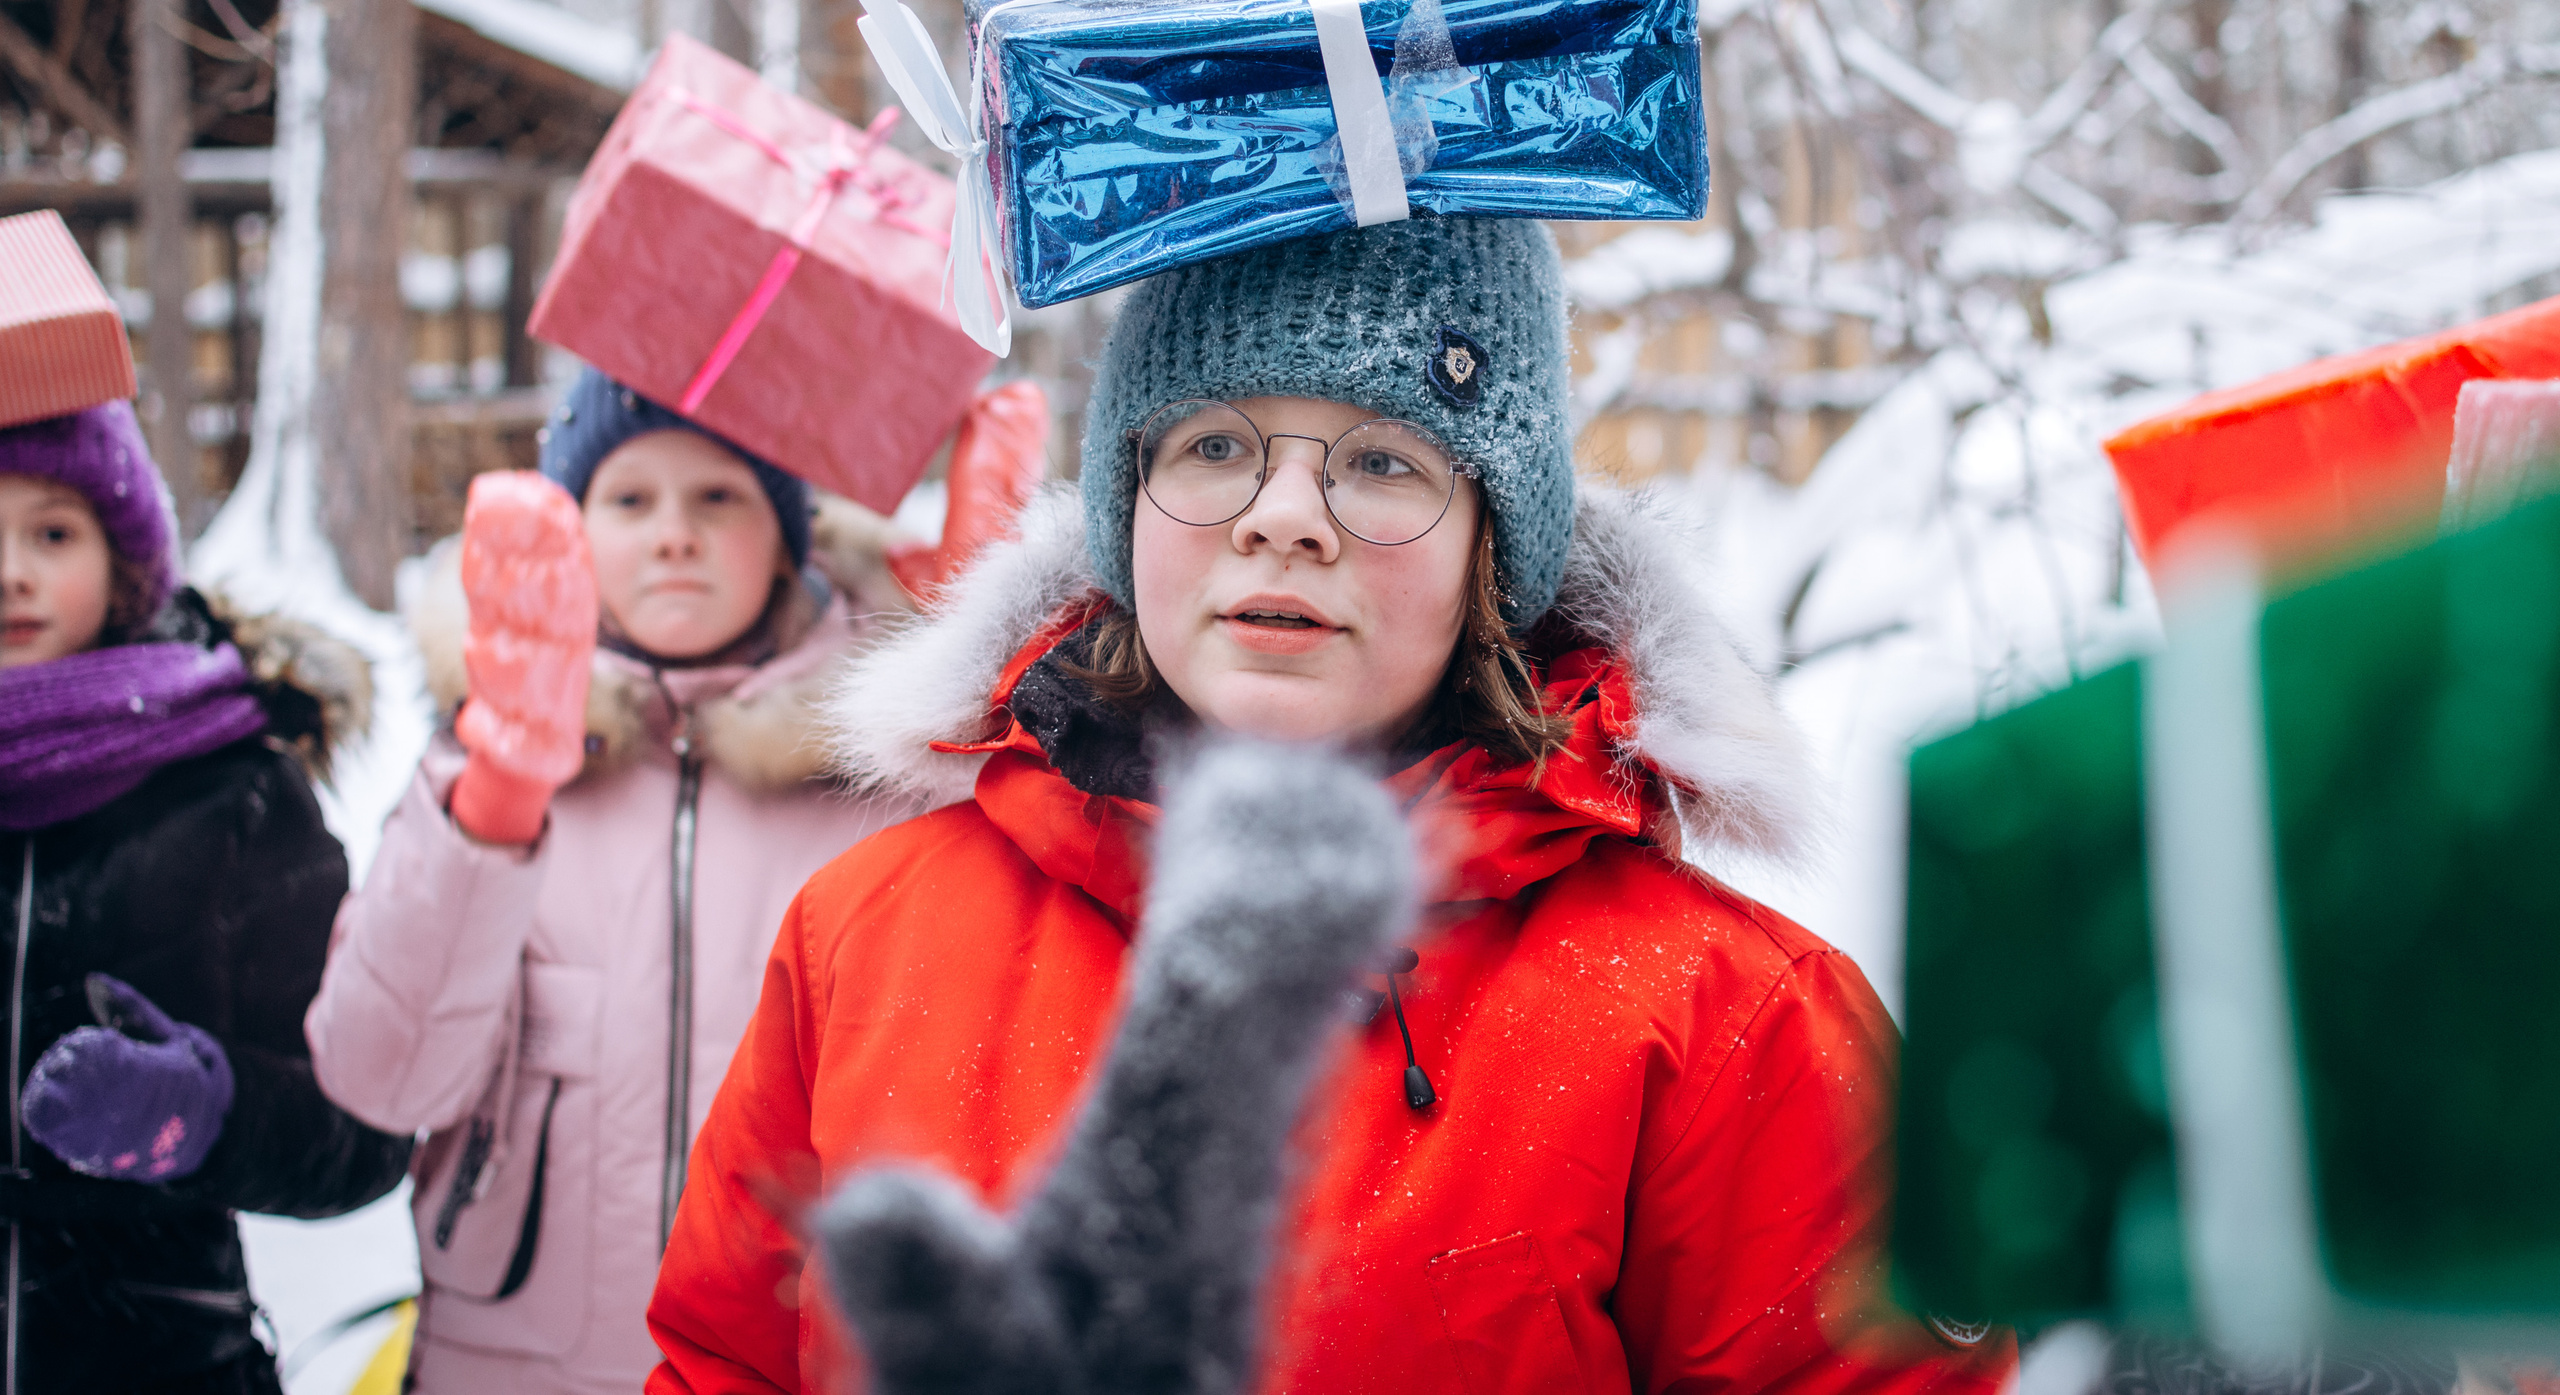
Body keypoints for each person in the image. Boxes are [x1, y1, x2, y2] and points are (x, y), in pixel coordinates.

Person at [647, 219, 2021, 1394]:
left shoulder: (1728, 1015)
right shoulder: (867, 931)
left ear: (1498, 542)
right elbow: (722, 1359)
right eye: (1216, 443)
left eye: (1383, 461)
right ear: (1129, 505)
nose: (1285, 517)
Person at [305, 369, 1036, 1395]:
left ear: (791, 538)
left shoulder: (882, 774)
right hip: (508, 1364)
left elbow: (984, 1034)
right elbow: (380, 1079)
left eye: (719, 498)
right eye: (631, 499)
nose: (674, 534)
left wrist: (973, 680)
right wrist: (499, 792)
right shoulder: (480, 768)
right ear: (571, 530)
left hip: (785, 1360)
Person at [0, 399, 412, 1395]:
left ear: (127, 556)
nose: (11, 571)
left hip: (159, 1362)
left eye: (52, 532)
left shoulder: (230, 789)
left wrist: (198, 1110)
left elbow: (362, 1128)